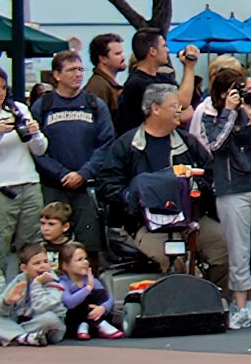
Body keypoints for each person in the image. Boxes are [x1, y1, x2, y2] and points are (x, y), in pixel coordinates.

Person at [96, 85, 230, 296]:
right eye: (174, 106)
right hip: (146, 224)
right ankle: (184, 302)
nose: (180, 110)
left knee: (223, 246)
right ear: (155, 109)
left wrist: (197, 185)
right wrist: (131, 198)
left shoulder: (188, 143)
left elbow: (211, 175)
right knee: (173, 259)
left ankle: (211, 298)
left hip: (190, 217)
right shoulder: (127, 145)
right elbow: (106, 184)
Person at [199, 69, 251, 330]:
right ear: (224, 92)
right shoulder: (209, 114)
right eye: (239, 89)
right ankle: (242, 306)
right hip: (231, 188)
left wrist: (250, 115)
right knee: (238, 250)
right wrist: (229, 111)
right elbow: (215, 145)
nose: (246, 94)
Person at [31, 50, 115, 271]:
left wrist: (84, 173)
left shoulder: (94, 104)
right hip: (53, 184)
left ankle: (90, 288)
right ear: (57, 75)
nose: (78, 75)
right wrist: (60, 173)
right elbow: (35, 148)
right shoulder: (44, 105)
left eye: (80, 69)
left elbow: (106, 143)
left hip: (86, 185)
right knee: (53, 241)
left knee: (90, 243)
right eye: (71, 70)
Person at [0, 63, 47, 266]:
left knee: (33, 246)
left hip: (29, 184)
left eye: (4, 88)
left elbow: (40, 149)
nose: (1, 93)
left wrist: (36, 133)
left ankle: (36, 290)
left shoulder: (19, 109)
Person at [0, 243, 65, 346]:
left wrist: (37, 284)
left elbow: (41, 307)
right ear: (24, 268)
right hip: (21, 323)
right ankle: (23, 337)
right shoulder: (20, 280)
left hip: (47, 327)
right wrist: (6, 302)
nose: (43, 266)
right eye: (37, 263)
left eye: (46, 261)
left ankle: (3, 335)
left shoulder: (53, 281)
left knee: (49, 318)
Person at [117, 29, 200, 135]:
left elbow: (180, 106)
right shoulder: (138, 84)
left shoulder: (162, 78)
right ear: (152, 51)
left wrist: (178, 111)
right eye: (164, 46)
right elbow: (182, 103)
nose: (167, 50)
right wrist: (189, 67)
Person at [57, 242, 122, 340]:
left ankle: (93, 324)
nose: (85, 262)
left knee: (99, 295)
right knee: (81, 304)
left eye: (86, 258)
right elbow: (69, 303)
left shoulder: (91, 280)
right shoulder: (63, 282)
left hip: (93, 316)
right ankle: (88, 325)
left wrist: (102, 308)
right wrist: (87, 288)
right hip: (72, 320)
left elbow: (109, 298)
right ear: (65, 266)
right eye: (79, 260)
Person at [84, 33, 127, 120]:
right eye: (117, 54)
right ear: (103, 59)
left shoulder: (106, 84)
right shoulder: (98, 87)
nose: (123, 57)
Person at [39, 202, 72, 273]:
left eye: (51, 224)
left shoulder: (73, 249)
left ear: (65, 226)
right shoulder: (38, 248)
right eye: (42, 223)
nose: (45, 228)